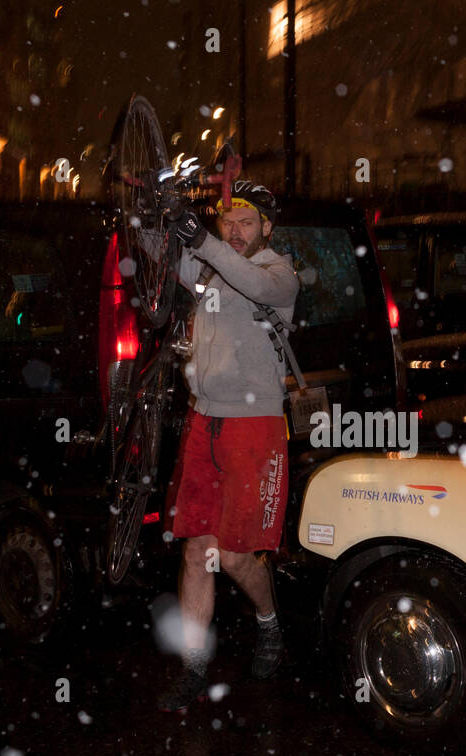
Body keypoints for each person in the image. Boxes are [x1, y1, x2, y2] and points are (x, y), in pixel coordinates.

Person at [155, 181, 301, 712]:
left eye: (247, 222)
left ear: (267, 227)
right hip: (204, 423)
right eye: (227, 222)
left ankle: (269, 626)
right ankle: (193, 667)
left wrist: (201, 239)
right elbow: (163, 256)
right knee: (197, 550)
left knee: (237, 556)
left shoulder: (277, 274)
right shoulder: (211, 270)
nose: (235, 232)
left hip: (254, 428)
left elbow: (252, 286)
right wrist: (154, 215)